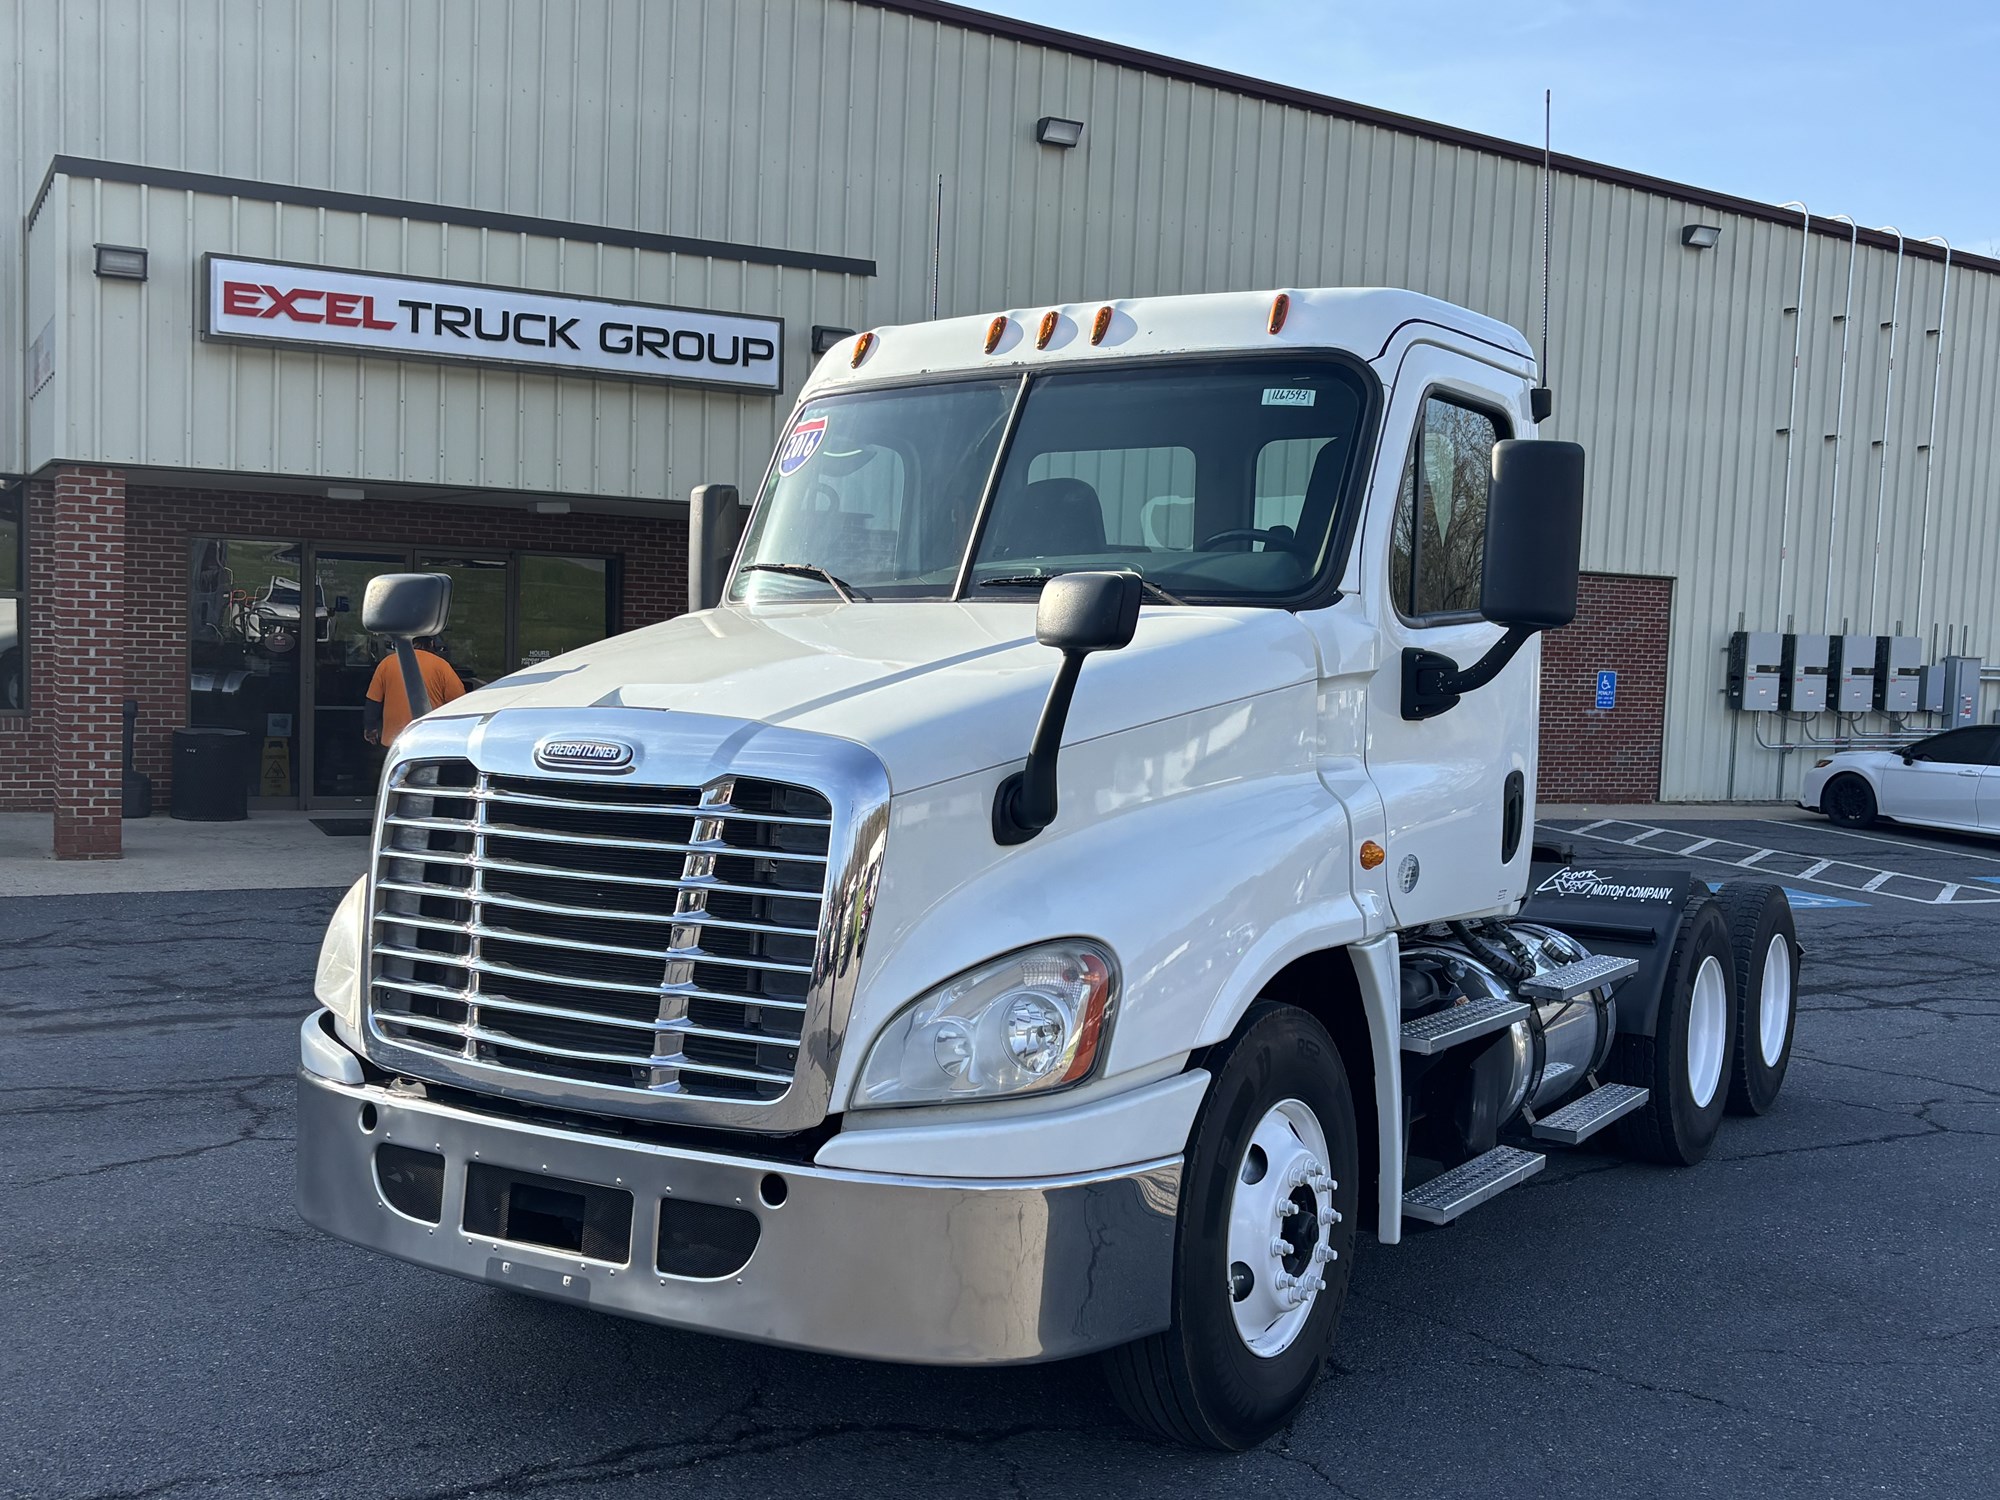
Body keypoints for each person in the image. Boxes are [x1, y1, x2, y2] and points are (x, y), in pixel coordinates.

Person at [363, 636, 466, 746]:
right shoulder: (441, 665)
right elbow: (460, 703)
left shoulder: (386, 663)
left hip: (394, 741)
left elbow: (373, 702)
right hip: (431, 740)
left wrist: (370, 727)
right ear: (431, 643)